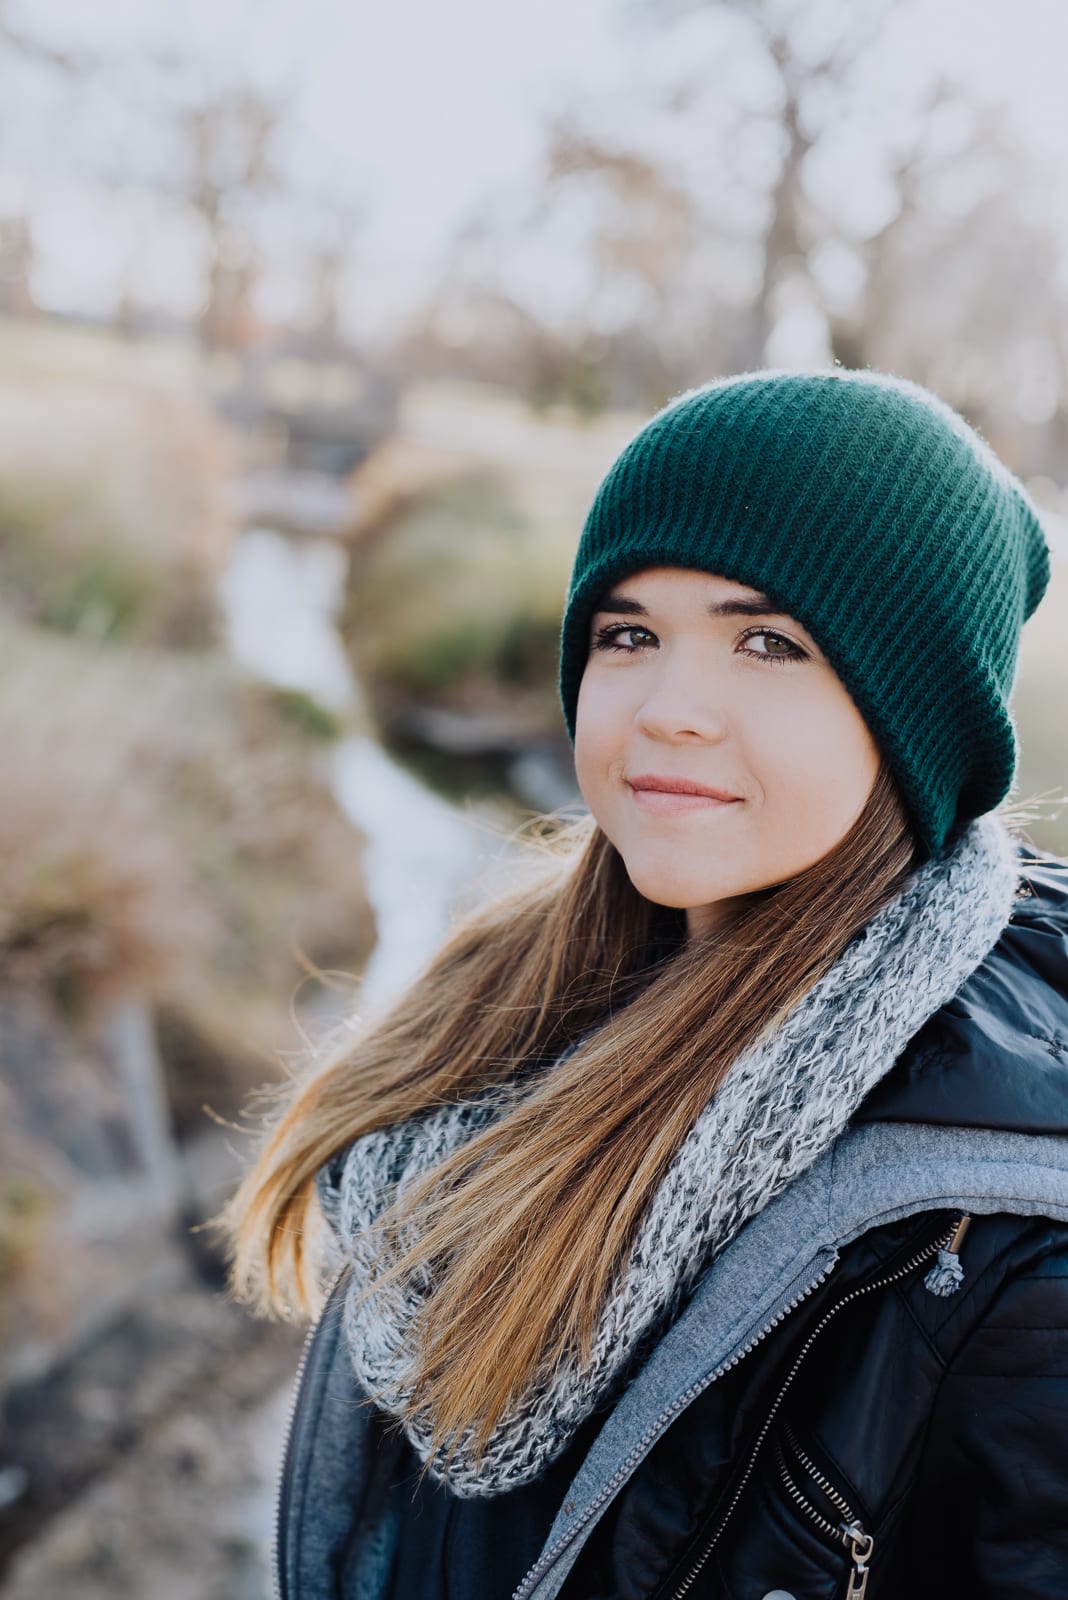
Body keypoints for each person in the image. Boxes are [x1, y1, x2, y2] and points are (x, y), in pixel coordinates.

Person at [220, 368, 1068, 1600]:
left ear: (916, 720)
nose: (670, 710)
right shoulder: (495, 1005)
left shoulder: (1005, 1266)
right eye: (629, 634)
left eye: (769, 643)